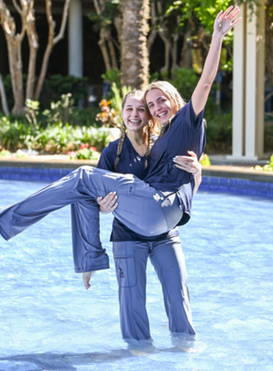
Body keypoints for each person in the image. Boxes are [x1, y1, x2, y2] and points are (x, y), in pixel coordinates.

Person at [0, 6, 240, 275]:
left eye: (157, 102)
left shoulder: (186, 119)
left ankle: (9, 217)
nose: (155, 108)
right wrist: (103, 208)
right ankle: (88, 263)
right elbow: (159, 180)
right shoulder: (154, 140)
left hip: (161, 211)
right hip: (149, 216)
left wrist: (217, 37)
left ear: (174, 100)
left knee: (82, 176)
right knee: (82, 190)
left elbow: (207, 82)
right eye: (150, 105)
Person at [83, 90, 201, 342]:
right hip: (127, 237)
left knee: (179, 298)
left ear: (149, 115)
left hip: (165, 235)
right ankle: (137, 358)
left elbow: (185, 189)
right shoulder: (111, 154)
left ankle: (184, 354)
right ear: (122, 114)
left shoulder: (164, 145)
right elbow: (93, 203)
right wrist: (102, 209)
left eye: (140, 109)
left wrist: (197, 172)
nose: (135, 114)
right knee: (132, 303)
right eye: (129, 109)